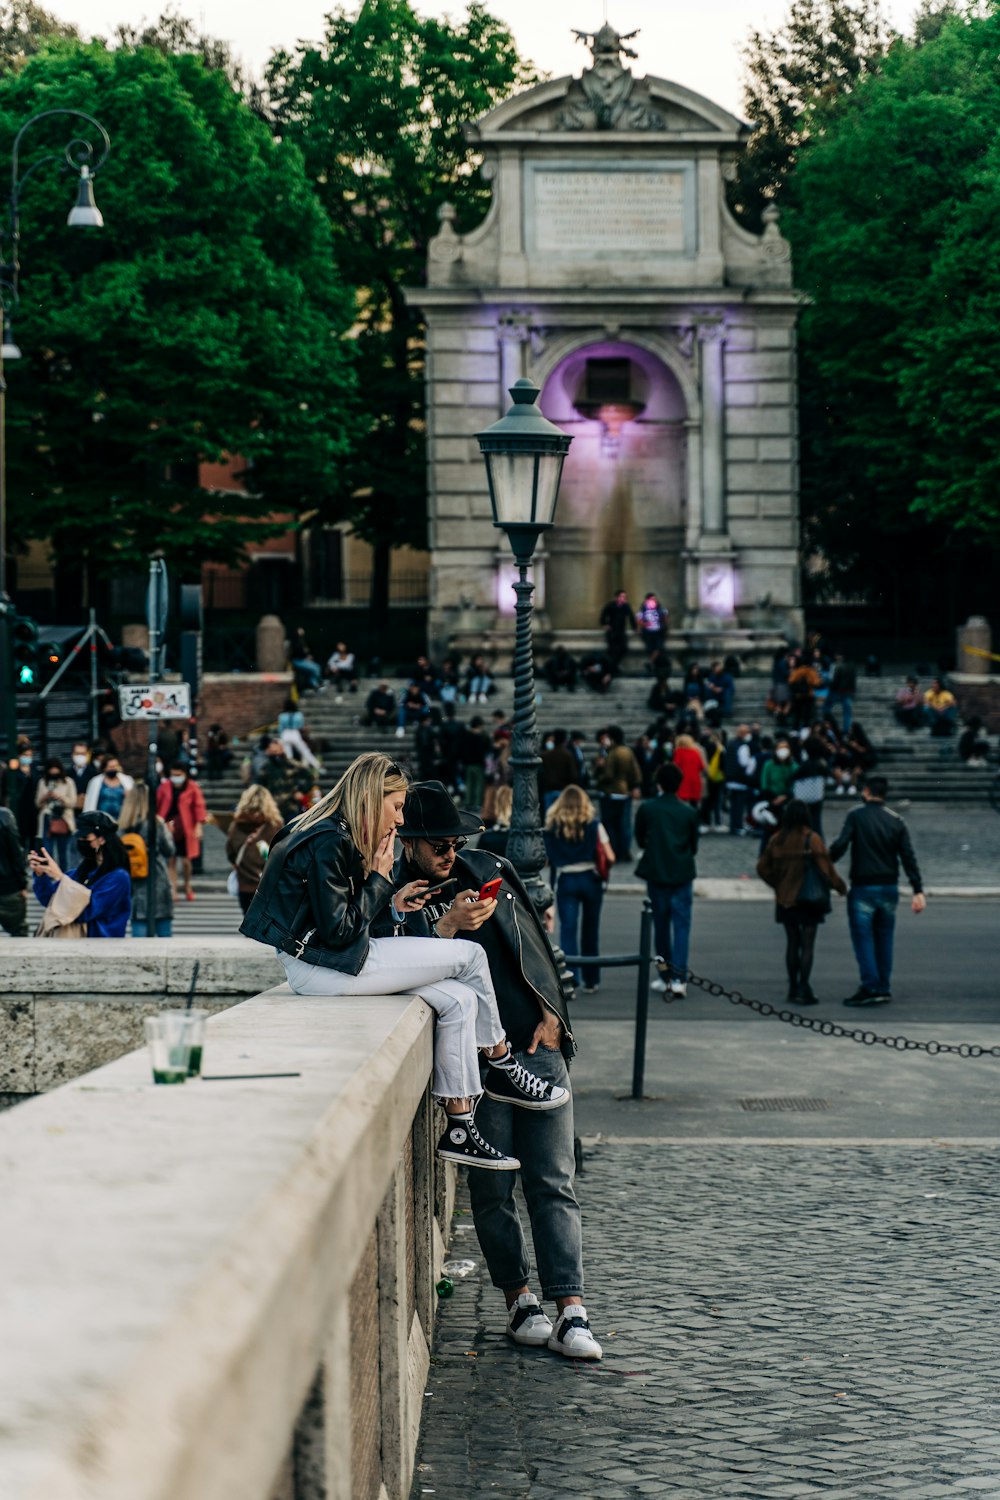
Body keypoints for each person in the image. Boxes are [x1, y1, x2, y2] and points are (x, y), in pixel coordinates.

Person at [240, 755, 567, 1172]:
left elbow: (338, 921)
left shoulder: (334, 834)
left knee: (459, 1000)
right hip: (323, 968)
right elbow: (339, 932)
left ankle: (461, 1125)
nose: (398, 821)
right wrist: (378, 879)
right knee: (470, 956)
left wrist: (392, 904)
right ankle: (501, 1061)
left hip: (327, 961)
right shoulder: (330, 841)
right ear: (371, 799)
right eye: (396, 807)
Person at [378, 778, 602, 1361]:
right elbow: (389, 971)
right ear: (409, 842)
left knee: (553, 1179)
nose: (451, 854)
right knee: (493, 1187)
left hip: (533, 1045)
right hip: (475, 1063)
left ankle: (572, 1311)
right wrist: (447, 926)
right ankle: (519, 1300)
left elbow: (537, 947)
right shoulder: (392, 895)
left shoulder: (489, 869)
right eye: (439, 846)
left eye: (456, 843)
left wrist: (555, 1014)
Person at [829, 775, 926, 1007]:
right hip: (889, 886)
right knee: (884, 938)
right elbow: (908, 857)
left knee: (863, 939)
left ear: (866, 791)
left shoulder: (856, 815)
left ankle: (870, 985)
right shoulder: (896, 820)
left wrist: (825, 862)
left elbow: (841, 845)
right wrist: (917, 889)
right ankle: (883, 985)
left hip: (863, 885)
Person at [756, 800, 846, 1004]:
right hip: (809, 898)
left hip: (785, 898)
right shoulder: (811, 839)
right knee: (807, 944)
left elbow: (762, 867)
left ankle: (792, 986)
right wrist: (840, 887)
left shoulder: (777, 839)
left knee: (792, 943)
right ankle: (804, 986)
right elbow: (826, 868)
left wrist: (777, 883)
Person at [635, 762, 699, 998]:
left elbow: (640, 838)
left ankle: (665, 975)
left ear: (659, 783)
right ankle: (680, 978)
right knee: (682, 926)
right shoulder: (689, 812)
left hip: (657, 872)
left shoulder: (648, 808)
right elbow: (693, 845)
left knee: (660, 928)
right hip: (682, 872)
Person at [544, 785, 614, 993]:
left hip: (566, 878)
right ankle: (592, 980)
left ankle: (570, 977)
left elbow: (548, 858)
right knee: (590, 931)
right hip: (590, 878)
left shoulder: (552, 827)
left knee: (568, 930)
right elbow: (610, 856)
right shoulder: (594, 824)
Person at [29, 809, 132, 938]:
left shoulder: (119, 877)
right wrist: (41, 875)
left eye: (86, 837)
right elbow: (50, 900)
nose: (81, 841)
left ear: (101, 839)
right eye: (80, 837)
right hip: (76, 942)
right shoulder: (80, 873)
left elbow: (87, 910)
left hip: (103, 946)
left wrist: (60, 877)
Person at [118, 784, 175, 937]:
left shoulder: (123, 825)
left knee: (139, 923)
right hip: (157, 875)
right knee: (164, 930)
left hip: (134, 877)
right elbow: (169, 850)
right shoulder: (156, 823)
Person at [226, 784, 284, 916]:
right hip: (269, 884)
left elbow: (231, 852)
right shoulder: (275, 825)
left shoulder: (236, 825)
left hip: (245, 884)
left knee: (248, 924)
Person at [155, 764, 207, 902]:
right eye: (173, 774)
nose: (175, 778)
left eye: (178, 775)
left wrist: (198, 825)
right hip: (168, 827)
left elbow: (199, 807)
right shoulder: (165, 787)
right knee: (171, 860)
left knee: (186, 860)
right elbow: (158, 805)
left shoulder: (192, 787)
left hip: (186, 828)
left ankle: (187, 884)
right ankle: (173, 889)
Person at [593, 725, 642, 861]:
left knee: (610, 824)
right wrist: (634, 786)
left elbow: (608, 774)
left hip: (610, 793)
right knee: (624, 824)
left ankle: (613, 850)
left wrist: (599, 776)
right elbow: (635, 772)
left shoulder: (612, 753)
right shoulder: (627, 751)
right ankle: (625, 850)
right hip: (624, 791)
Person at [35, 758, 77, 869]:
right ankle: (49, 874)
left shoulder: (68, 782)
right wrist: (46, 797)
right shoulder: (43, 782)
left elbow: (73, 802)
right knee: (47, 851)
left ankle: (63, 875)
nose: (54, 773)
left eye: (56, 770)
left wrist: (59, 797)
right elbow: (37, 803)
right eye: (51, 771)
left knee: (62, 851)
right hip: (47, 818)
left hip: (63, 818)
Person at [723, 723, 757, 836]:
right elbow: (744, 763)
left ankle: (733, 826)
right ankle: (737, 826)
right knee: (739, 805)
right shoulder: (743, 746)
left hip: (730, 778)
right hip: (740, 779)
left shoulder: (730, 743)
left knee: (733, 805)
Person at [0, 801, 28, 936]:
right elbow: (16, 852)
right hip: (8, 886)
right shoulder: (4, 816)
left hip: (8, 886)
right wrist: (22, 882)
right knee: (19, 932)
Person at [540, 729, 578, 813]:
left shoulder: (546, 755)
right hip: (563, 790)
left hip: (549, 789)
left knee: (550, 815)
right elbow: (573, 775)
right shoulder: (568, 755)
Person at [278, 698, 320, 770]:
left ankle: (290, 765)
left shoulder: (282, 715)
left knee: (288, 753)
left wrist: (281, 735)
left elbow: (281, 727)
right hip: (295, 732)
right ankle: (316, 764)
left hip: (286, 733)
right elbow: (300, 725)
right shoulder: (298, 715)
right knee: (304, 750)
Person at [599, 589, 636, 670]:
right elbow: (603, 615)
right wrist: (604, 624)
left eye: (625, 597)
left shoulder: (626, 606)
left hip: (621, 631)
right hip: (612, 630)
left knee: (623, 648)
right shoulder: (610, 605)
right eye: (622, 596)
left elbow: (631, 616)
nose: (624, 598)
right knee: (612, 649)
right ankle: (610, 667)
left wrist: (634, 628)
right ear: (617, 597)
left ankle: (613, 666)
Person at [672, 732, 707, 813]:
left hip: (683, 780)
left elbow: (675, 766)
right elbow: (701, 767)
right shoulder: (695, 752)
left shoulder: (679, 752)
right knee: (694, 804)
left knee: (681, 803)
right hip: (695, 780)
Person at [826, 654, 857, 733]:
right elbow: (853, 681)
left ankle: (827, 725)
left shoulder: (840, 666)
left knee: (826, 708)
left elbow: (836, 680)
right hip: (849, 691)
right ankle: (846, 730)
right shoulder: (852, 667)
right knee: (847, 712)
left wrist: (832, 687)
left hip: (840, 690)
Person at [68, 741, 100, 808]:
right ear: (72, 754)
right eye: (77, 754)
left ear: (88, 755)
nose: (80, 756)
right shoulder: (67, 773)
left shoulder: (94, 773)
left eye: (83, 754)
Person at [635, 592, 667, 658]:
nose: (654, 600)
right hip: (648, 632)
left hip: (658, 632)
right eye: (652, 599)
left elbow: (665, 619)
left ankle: (651, 662)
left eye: (655, 599)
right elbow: (639, 620)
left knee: (659, 648)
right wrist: (645, 624)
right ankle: (651, 662)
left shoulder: (660, 609)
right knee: (650, 648)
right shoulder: (643, 610)